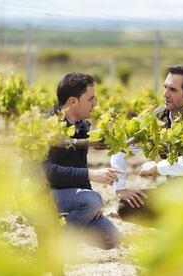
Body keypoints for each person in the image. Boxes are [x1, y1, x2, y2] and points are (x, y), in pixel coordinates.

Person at [111, 65, 183, 223]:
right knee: (127, 207)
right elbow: (123, 149)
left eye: (173, 90)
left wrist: (158, 167)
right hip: (174, 193)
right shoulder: (158, 116)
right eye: (165, 87)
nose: (165, 94)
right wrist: (120, 187)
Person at [43, 72, 120, 249]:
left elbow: (79, 165)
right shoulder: (48, 125)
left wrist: (91, 203)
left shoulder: (82, 126)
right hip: (39, 194)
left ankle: (62, 224)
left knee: (111, 237)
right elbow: (46, 171)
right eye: (90, 98)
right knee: (91, 200)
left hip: (65, 195)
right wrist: (91, 176)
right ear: (73, 102)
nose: (95, 103)